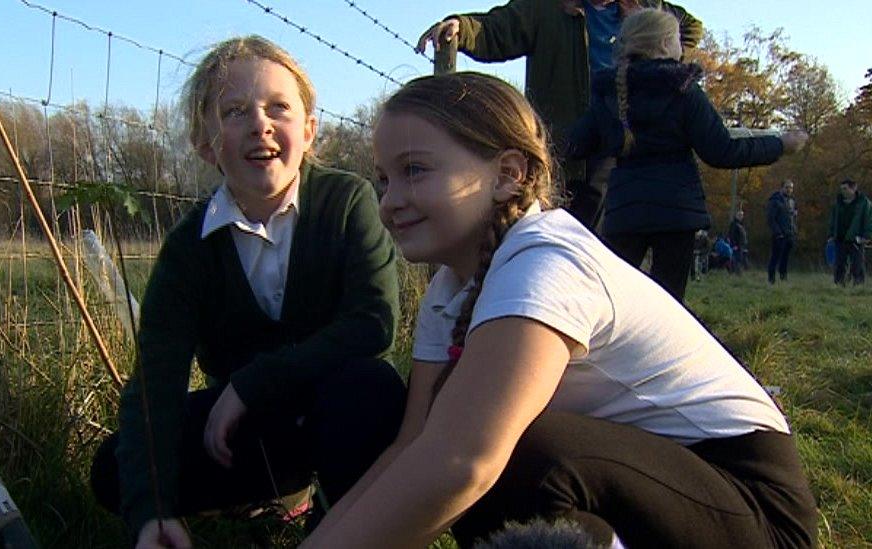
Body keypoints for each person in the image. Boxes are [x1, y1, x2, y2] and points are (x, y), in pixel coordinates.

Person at [301, 71, 817, 548]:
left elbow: (463, 463)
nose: (389, 201)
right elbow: (413, 447)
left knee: (517, 457)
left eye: (414, 170)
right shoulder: (449, 288)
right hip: (633, 479)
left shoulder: (545, 259)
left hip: (750, 506)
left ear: (507, 174)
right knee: (490, 463)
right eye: (384, 179)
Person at [88, 36, 406, 549]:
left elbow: (373, 324)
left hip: (337, 411)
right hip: (249, 433)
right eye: (235, 111)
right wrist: (153, 510)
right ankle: (272, 494)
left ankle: (334, 525)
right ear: (205, 143)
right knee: (115, 468)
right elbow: (156, 381)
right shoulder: (189, 249)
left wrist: (250, 384)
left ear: (308, 129)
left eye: (279, 107)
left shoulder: (346, 201)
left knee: (373, 388)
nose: (260, 123)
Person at [565, 9, 805, 300]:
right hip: (676, 211)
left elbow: (575, 145)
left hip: (624, 208)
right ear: (666, 45)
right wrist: (780, 145)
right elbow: (722, 150)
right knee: (668, 305)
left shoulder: (607, 93)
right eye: (678, 39)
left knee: (615, 301)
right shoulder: (683, 89)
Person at [416, 0, 703, 230]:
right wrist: (462, 28)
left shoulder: (641, 9)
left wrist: (655, 63)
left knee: (610, 246)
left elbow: (689, 27)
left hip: (619, 150)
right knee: (558, 235)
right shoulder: (548, 9)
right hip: (563, 147)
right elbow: (498, 29)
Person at [827, 179, 872, 285]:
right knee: (839, 264)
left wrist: (867, 236)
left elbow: (869, 220)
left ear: (853, 188)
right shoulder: (838, 203)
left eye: (845, 188)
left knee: (857, 264)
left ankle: (858, 286)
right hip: (840, 237)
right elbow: (832, 220)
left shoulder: (864, 203)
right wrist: (831, 234)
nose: (843, 191)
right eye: (842, 189)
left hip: (856, 238)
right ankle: (838, 285)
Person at [767, 179, 798, 284]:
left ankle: (783, 277)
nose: (789, 190)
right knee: (775, 257)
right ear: (782, 188)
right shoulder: (775, 201)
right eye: (787, 187)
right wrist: (778, 233)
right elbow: (771, 219)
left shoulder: (792, 201)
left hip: (790, 234)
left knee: (785, 258)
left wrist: (794, 231)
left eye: (791, 187)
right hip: (779, 235)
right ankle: (771, 279)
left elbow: (792, 218)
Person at [728, 209, 749, 274]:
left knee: (740, 260)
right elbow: (731, 235)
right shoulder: (734, 224)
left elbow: (743, 236)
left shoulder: (741, 225)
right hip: (736, 246)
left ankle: (737, 273)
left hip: (742, 246)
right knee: (736, 260)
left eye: (742, 215)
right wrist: (734, 245)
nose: (741, 216)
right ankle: (735, 273)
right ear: (736, 215)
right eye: (739, 215)